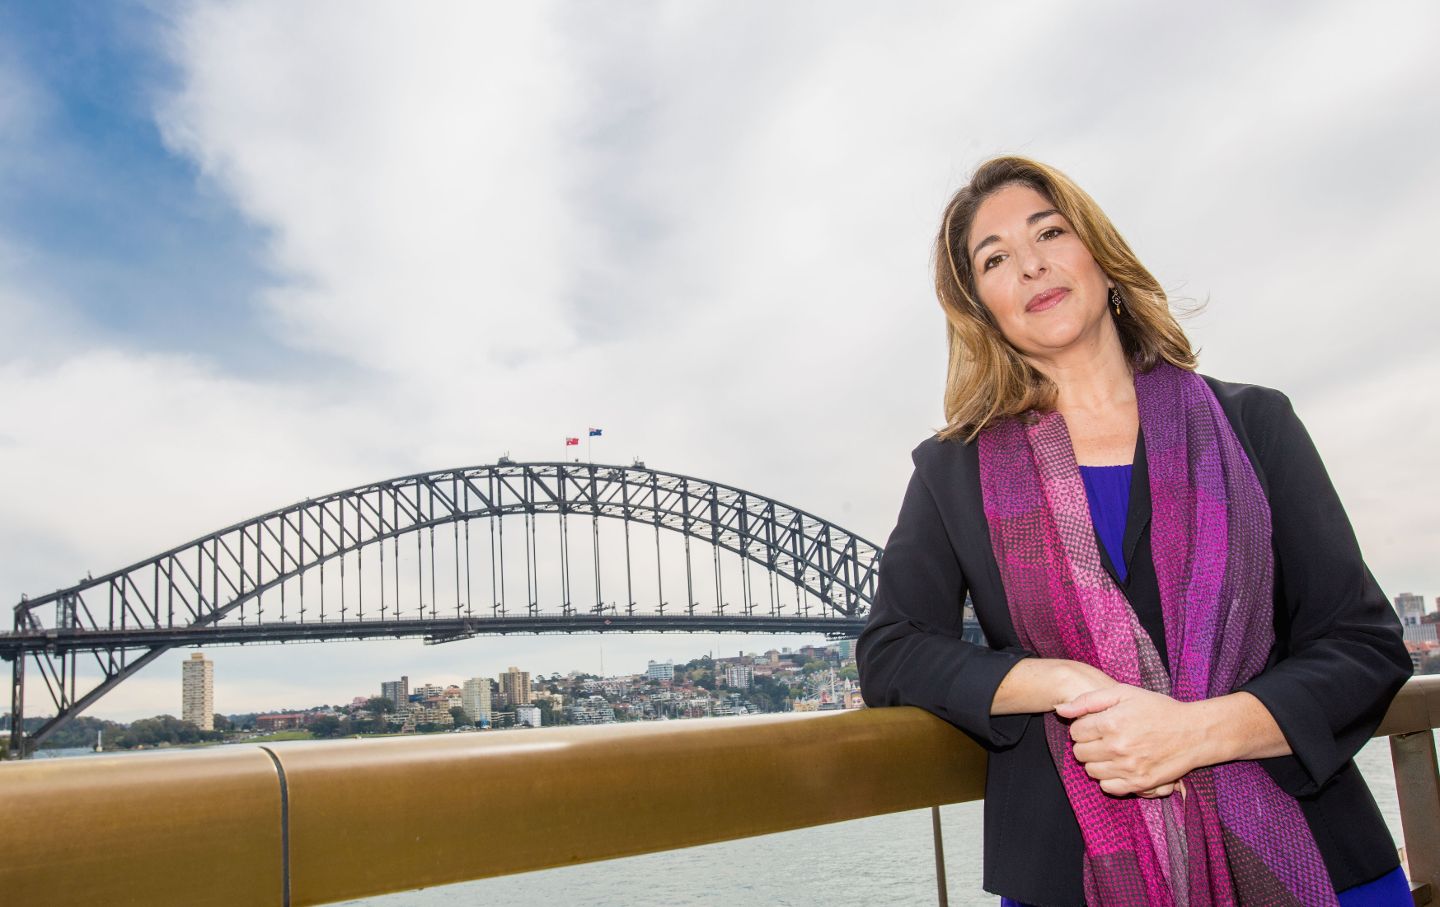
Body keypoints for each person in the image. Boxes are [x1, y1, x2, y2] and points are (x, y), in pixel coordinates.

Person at [856, 156, 1412, 906]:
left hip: (1316, 857)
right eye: (995, 259)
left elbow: (1363, 644)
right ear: (981, 307)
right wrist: (1050, 680)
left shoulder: (1255, 424)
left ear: (1100, 255)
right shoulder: (951, 473)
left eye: (1049, 231)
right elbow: (892, 650)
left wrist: (1198, 732)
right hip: (1073, 874)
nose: (1030, 265)